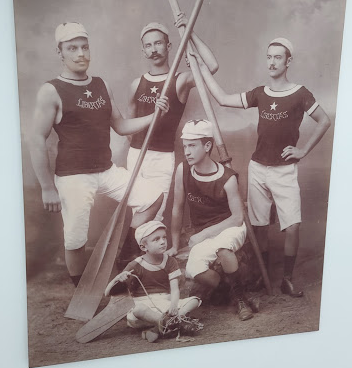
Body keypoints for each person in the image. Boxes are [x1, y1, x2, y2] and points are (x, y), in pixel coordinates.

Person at [29, 22, 169, 286]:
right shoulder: (51, 90)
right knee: (75, 238)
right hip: (73, 176)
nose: (80, 54)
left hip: (106, 170)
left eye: (84, 47)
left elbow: (121, 125)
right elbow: (36, 138)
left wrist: (154, 116)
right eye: (72, 48)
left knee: (152, 196)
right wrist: (47, 187)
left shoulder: (101, 84)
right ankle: (81, 290)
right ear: (60, 52)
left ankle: (125, 255)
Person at [194, 37, 331, 296]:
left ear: (288, 61)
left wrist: (302, 151)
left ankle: (287, 279)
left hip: (284, 171)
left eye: (278, 57)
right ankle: (262, 276)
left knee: (293, 226)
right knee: (258, 227)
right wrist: (201, 68)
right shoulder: (260, 93)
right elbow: (222, 99)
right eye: (269, 57)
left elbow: (323, 120)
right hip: (258, 168)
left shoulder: (300, 93)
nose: (272, 62)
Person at [127, 16, 219, 224]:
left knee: (155, 214)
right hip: (136, 155)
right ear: (143, 51)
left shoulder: (181, 80)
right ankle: (136, 246)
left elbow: (212, 66)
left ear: (168, 46)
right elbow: (128, 124)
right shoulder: (136, 84)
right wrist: (135, 145)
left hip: (162, 157)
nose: (154, 50)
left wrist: (189, 31)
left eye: (158, 43)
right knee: (137, 212)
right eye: (148, 45)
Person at [169, 119, 253, 321]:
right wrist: (174, 245)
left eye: (192, 146)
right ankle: (228, 289)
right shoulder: (183, 170)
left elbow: (238, 217)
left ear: (207, 146)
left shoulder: (228, 178)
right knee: (194, 270)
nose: (187, 152)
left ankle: (240, 298)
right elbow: (177, 208)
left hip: (229, 226)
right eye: (185, 146)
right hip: (203, 232)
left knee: (223, 249)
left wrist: (204, 234)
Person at [105, 220, 201, 342]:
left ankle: (159, 328)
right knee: (138, 310)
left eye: (164, 237)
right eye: (156, 239)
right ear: (143, 247)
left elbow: (174, 289)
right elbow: (107, 293)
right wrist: (119, 278)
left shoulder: (170, 261)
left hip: (165, 302)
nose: (162, 242)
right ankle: (171, 322)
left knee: (194, 301)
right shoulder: (136, 265)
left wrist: (173, 304)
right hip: (145, 306)